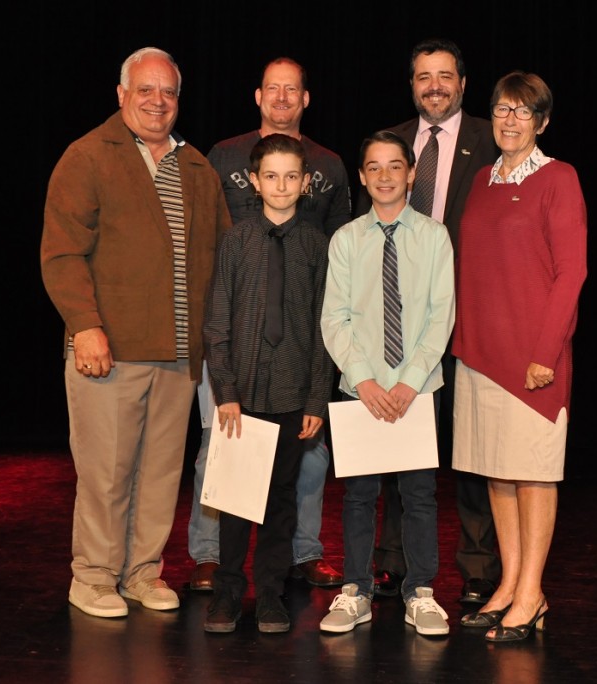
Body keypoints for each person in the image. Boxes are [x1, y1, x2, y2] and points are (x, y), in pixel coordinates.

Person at [40, 47, 231, 618]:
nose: (157, 101)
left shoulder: (195, 165)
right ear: (121, 95)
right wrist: (86, 328)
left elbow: (222, 259)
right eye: (145, 90)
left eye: (168, 92)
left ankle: (143, 573)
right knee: (106, 472)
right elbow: (62, 254)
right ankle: (93, 577)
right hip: (111, 349)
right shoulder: (88, 156)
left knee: (159, 474)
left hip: (179, 354)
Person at [187, 57, 350, 593]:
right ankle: (211, 556)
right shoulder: (224, 155)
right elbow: (207, 237)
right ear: (258, 96)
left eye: (293, 90)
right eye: (273, 89)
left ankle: (300, 553)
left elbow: (335, 256)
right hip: (236, 339)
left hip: (297, 349)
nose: (282, 97)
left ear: (306, 99)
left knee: (306, 456)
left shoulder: (329, 164)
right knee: (221, 445)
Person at [354, 38, 500, 605]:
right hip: (396, 323)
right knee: (393, 443)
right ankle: (391, 561)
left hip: (470, 321)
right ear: (411, 85)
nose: (433, 85)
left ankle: (479, 566)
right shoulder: (388, 144)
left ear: (463, 84)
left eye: (444, 76)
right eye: (423, 76)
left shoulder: (494, 141)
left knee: (469, 449)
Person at [452, 71, 587, 642]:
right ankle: (508, 584)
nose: (509, 120)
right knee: (497, 476)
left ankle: (531, 593)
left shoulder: (560, 178)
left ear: (542, 121)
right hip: (479, 354)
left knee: (532, 478)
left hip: (532, 360)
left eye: (522, 111)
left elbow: (571, 271)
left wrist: (545, 352)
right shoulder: (482, 178)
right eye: (501, 109)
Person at [319, 130, 454, 637]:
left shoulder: (435, 237)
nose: (384, 176)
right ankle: (356, 590)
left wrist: (410, 382)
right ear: (361, 176)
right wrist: (366, 380)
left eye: (394, 166)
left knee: (419, 496)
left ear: (411, 174)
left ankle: (420, 591)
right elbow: (335, 319)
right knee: (358, 496)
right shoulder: (347, 239)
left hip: (417, 390)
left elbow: (441, 316)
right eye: (373, 167)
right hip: (362, 389)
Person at [202, 133, 335, 634]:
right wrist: (227, 393)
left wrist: (315, 398)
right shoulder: (236, 242)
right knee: (236, 501)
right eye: (271, 176)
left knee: (281, 500)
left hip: (292, 394)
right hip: (243, 396)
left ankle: (272, 593)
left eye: (291, 177)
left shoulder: (318, 247)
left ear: (305, 183)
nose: (281, 185)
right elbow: (217, 322)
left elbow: (326, 328)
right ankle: (228, 592)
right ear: (254, 182)